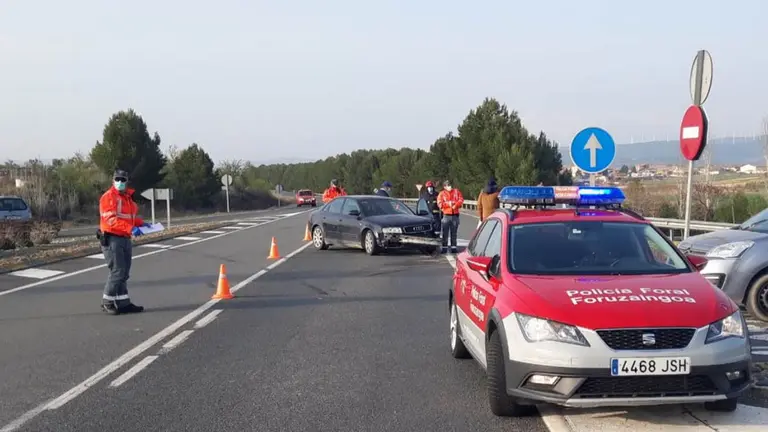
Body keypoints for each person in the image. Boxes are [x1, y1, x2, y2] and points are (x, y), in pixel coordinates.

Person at [98, 169, 151, 315]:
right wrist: (131, 228)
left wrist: (141, 224)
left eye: (123, 179)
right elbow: (111, 219)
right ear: (113, 180)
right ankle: (107, 302)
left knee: (124, 272)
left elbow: (128, 217)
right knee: (117, 271)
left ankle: (123, 302)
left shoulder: (127, 198)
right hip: (112, 238)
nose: (120, 182)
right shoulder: (108, 197)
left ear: (127, 181)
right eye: (117, 179)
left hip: (125, 237)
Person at [437, 180, 464, 254]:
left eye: (450, 185)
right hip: (446, 215)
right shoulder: (442, 194)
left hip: (455, 215)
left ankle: (453, 247)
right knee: (445, 233)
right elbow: (440, 204)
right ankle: (444, 248)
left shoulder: (456, 191)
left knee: (454, 233)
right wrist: (449, 204)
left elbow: (461, 200)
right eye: (448, 185)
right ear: (444, 186)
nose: (450, 186)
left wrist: (456, 205)